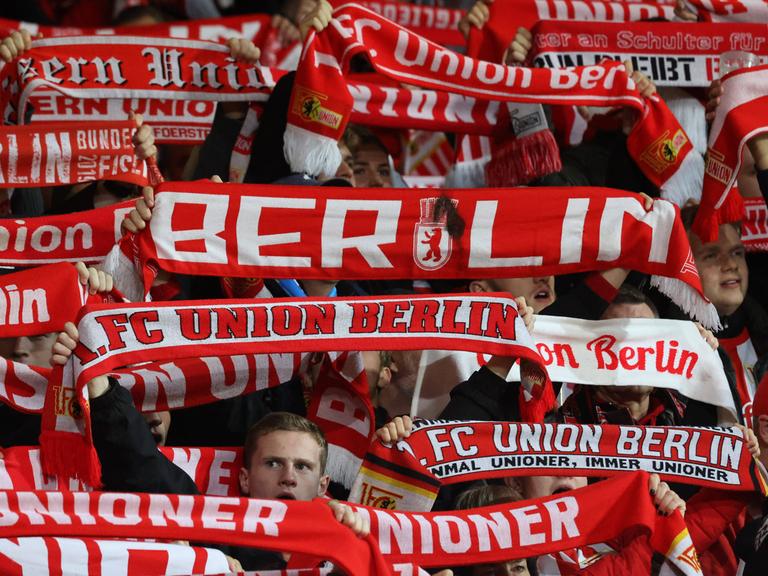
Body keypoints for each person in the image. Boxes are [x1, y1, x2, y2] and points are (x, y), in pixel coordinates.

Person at [50, 326, 369, 570]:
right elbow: (147, 470)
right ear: (244, 479)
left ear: (323, 483)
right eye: (273, 463)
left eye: (303, 466)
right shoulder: (217, 538)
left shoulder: (346, 538)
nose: (288, 477)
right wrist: (100, 384)